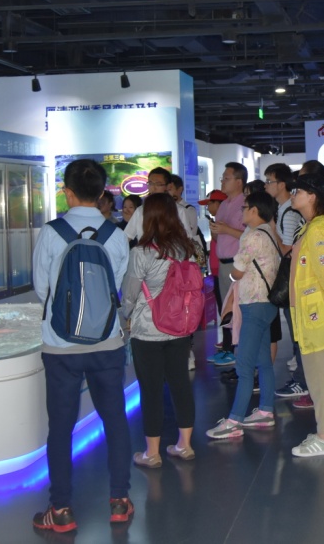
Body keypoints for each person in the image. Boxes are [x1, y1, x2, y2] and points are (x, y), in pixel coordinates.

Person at [31, 158, 132, 533]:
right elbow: (115, 286)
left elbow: (42, 288)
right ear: (103, 192)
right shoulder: (115, 235)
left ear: (67, 192)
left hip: (60, 346)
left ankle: (60, 510)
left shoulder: (51, 233)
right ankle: (119, 501)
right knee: (115, 421)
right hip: (106, 342)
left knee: (60, 428)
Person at [120, 193, 198, 466]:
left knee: (151, 390)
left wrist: (125, 315)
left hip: (148, 329)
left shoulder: (141, 252)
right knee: (180, 385)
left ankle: (152, 453)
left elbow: (130, 293)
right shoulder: (185, 249)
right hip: (180, 327)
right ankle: (184, 445)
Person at [206, 191, 281, 439]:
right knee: (263, 362)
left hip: (253, 304)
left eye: (244, 207)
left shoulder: (253, 236)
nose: (241, 211)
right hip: (267, 304)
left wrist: (230, 277)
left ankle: (234, 421)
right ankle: (265, 410)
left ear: (254, 211)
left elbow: (237, 271)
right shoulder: (269, 232)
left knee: (244, 365)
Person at [288, 172, 324, 456]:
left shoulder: (318, 230)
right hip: (312, 311)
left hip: (316, 312)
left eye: (297, 191)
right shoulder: (311, 227)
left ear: (312, 196)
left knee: (319, 376)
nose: (293, 195)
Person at [266, 164, 312, 407]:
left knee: (299, 334)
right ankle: (302, 379)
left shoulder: (289, 213)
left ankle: (303, 381)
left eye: (270, 181)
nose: (267, 186)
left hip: (293, 280)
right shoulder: (284, 210)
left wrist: (272, 229)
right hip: (292, 279)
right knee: (297, 334)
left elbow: (288, 249)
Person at [207, 163, 247, 366]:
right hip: (223, 264)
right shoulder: (223, 205)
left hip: (237, 264)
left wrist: (226, 230)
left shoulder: (246, 204)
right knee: (225, 308)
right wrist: (215, 231)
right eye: (223, 178)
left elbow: (251, 235)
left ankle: (240, 352)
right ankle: (228, 349)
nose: (222, 181)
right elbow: (219, 237)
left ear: (239, 181)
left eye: (226, 178)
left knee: (238, 309)